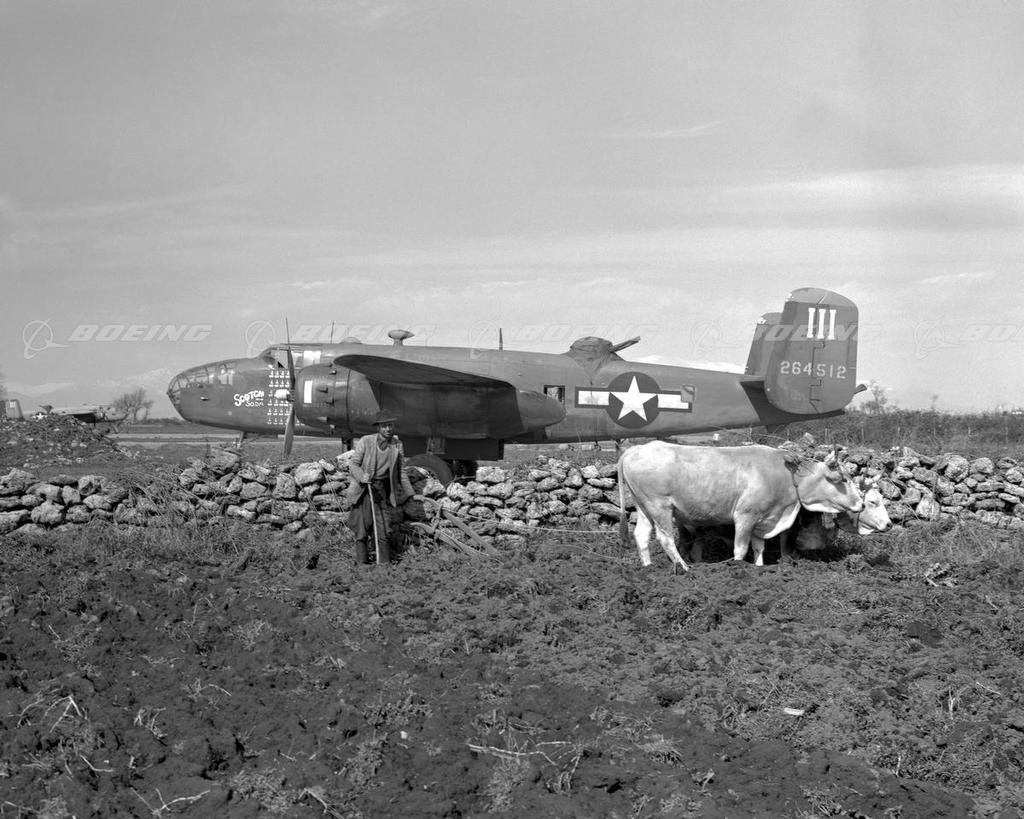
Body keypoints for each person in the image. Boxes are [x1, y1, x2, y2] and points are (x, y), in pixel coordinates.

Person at [344, 411, 415, 565]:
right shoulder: (366, 441)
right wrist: (362, 476)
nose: (388, 429)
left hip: (382, 490)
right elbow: (353, 464)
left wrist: (410, 493)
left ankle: (384, 565)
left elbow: (401, 472)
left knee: (383, 527)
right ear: (378, 428)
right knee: (362, 527)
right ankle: (362, 564)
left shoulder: (397, 444)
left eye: (390, 425)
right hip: (364, 490)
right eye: (384, 426)